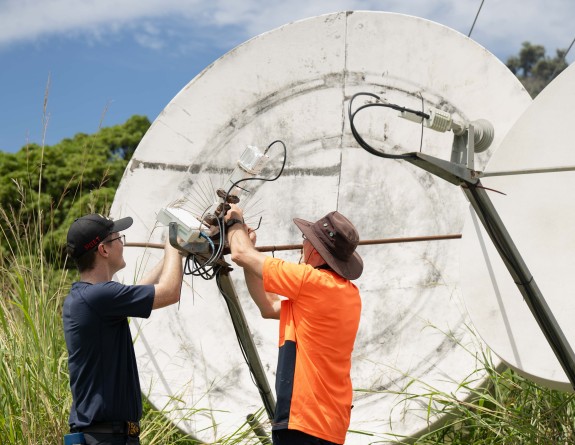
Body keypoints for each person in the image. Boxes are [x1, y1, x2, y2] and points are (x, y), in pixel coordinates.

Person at [225, 204, 363, 445]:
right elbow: (269, 307)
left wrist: (234, 221)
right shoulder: (346, 293)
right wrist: (250, 252)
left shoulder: (311, 282)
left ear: (317, 252)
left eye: (307, 239)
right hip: (329, 424)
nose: (303, 244)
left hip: (304, 422)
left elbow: (240, 254)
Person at [63, 213, 184, 445]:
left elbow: (139, 291)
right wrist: (174, 244)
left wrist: (177, 252)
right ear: (103, 250)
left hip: (104, 436)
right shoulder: (99, 296)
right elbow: (169, 292)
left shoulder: (90, 297)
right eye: (118, 238)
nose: (123, 244)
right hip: (106, 438)